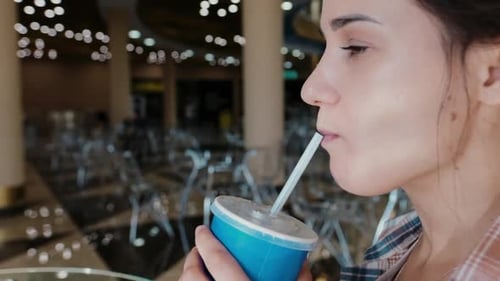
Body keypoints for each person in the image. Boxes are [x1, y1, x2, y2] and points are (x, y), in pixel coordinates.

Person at [178, 0, 500, 280]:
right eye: (325, 48)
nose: (310, 89)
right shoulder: (399, 240)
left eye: (356, 47)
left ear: (491, 72)